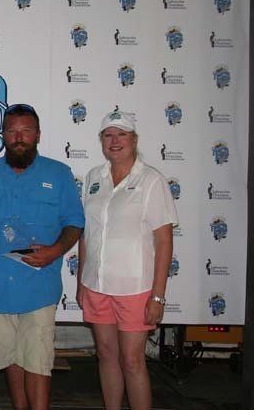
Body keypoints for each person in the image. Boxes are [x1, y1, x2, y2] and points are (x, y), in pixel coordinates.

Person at [0, 104, 85, 410]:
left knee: (38, 362)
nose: (19, 138)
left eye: (26, 131)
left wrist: (55, 251)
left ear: (38, 135)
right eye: (12, 131)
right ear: (3, 135)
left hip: (39, 287)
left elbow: (75, 222)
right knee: (9, 359)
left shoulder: (59, 174)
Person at [76, 111, 177, 410]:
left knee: (132, 361)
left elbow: (164, 240)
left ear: (134, 139)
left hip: (135, 288)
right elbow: (86, 234)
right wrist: (82, 280)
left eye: (121, 134)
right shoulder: (95, 177)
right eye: (108, 135)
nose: (114, 141)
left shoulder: (151, 180)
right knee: (106, 355)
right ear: (101, 141)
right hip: (96, 284)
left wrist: (158, 295)